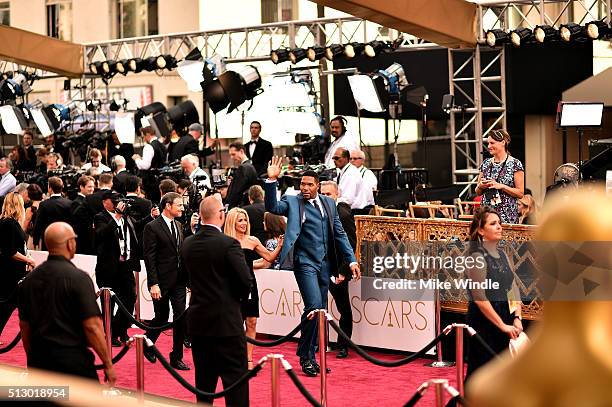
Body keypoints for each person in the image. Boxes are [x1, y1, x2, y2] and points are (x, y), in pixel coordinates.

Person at [264, 157, 360, 376]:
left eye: (309, 185)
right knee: (315, 307)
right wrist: (271, 180)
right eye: (302, 184)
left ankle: (312, 355)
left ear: (317, 186)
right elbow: (272, 207)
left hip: (326, 265)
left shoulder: (329, 204)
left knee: (320, 312)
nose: (305, 188)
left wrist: (351, 260)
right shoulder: (292, 201)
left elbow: (340, 234)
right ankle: (306, 356)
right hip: (304, 263)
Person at [18, 222, 115, 385]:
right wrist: (108, 363)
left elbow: (24, 327)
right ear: (70, 243)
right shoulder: (79, 278)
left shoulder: (29, 281)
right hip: (73, 364)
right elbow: (92, 326)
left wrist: (32, 360)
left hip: (40, 363)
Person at [181, 196, 253, 406]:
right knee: (235, 383)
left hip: (199, 322)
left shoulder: (188, 243)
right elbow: (245, 282)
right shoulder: (228, 244)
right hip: (227, 324)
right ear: (221, 215)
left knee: (204, 384)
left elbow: (186, 277)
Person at [466, 206, 522, 381]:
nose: (499, 227)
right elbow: (479, 298)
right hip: (484, 321)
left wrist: (517, 317)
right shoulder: (476, 256)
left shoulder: (503, 254)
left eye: (499, 223)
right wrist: (502, 325)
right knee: (484, 372)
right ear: (481, 231)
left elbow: (512, 288)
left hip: (505, 315)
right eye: (493, 223)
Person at [224, 207, 283, 370]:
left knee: (252, 321)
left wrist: (279, 246)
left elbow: (269, 259)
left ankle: (248, 358)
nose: (243, 223)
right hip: (230, 287)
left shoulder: (253, 240)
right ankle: (232, 357)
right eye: (240, 220)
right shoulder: (224, 240)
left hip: (249, 285)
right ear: (232, 221)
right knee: (234, 323)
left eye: (245, 220)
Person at [142, 192, 189, 370]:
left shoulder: (178, 225)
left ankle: (176, 356)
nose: (182, 208)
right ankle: (147, 343)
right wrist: (153, 283)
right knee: (161, 317)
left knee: (180, 317)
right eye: (179, 205)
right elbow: (150, 258)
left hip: (179, 281)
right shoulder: (152, 227)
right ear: (168, 206)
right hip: (161, 282)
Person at [94, 191, 143, 346]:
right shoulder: (100, 217)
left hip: (126, 266)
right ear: (105, 202)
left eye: (119, 200)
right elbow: (101, 234)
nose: (117, 203)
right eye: (113, 200)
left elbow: (137, 225)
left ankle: (120, 330)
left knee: (130, 298)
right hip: (108, 267)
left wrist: (152, 217)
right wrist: (117, 216)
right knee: (108, 303)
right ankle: (110, 334)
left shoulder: (126, 216)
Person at [320, 180, 356, 359]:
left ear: (336, 195)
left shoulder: (342, 213)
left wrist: (343, 270)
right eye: (323, 194)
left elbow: (350, 242)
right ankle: (319, 342)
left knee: (344, 309)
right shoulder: (315, 211)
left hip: (337, 270)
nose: (325, 197)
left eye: (328, 194)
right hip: (319, 267)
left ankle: (344, 346)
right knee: (316, 307)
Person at [0, 193, 36, 334]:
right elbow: (10, 251)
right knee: (6, 306)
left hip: (14, 270)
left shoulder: (10, 223)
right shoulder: (8, 223)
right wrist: (28, 260)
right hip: (10, 271)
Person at [475, 130, 524, 224]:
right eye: (488, 143)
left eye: (492, 143)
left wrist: (502, 186)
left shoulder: (515, 164)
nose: (489, 146)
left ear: (503, 142)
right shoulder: (485, 163)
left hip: (507, 216)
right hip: (487, 215)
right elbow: (477, 192)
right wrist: (481, 186)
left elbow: (520, 193)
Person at [33, 177, 72, 250]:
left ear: (50, 188)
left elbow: (38, 223)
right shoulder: (69, 203)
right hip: (64, 237)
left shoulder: (44, 204)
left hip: (48, 238)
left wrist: (36, 241)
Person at [134, 126, 167, 203]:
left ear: (148, 134)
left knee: (153, 203)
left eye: (144, 136)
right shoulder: (162, 145)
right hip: (162, 178)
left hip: (151, 181)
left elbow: (146, 165)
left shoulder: (149, 147)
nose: (144, 139)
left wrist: (137, 159)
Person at [226, 142, 258, 209]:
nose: (232, 157)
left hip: (241, 206)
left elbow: (237, 192)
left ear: (241, 151)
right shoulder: (250, 166)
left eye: (233, 154)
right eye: (230, 155)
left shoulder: (243, 168)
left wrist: (229, 206)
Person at [71, 176, 96, 254]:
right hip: (82, 241)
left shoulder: (89, 200)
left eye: (93, 187)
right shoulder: (77, 202)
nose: (92, 189)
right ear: (81, 187)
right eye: (89, 187)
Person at [24, 184, 43, 249]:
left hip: (34, 239)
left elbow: (24, 228)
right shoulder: (46, 205)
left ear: (29, 195)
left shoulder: (30, 210)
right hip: (46, 238)